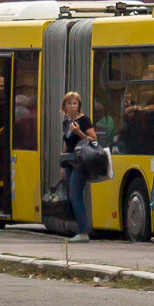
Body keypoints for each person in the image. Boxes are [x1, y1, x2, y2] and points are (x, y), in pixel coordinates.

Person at [60, 91, 96, 243]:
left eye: (75, 103)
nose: (72, 106)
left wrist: (79, 132)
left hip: (81, 162)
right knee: (72, 195)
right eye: (69, 103)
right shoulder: (66, 122)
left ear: (79, 105)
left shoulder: (84, 120)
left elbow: (93, 140)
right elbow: (66, 144)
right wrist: (62, 165)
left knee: (76, 194)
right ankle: (79, 230)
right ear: (65, 106)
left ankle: (83, 232)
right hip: (69, 162)